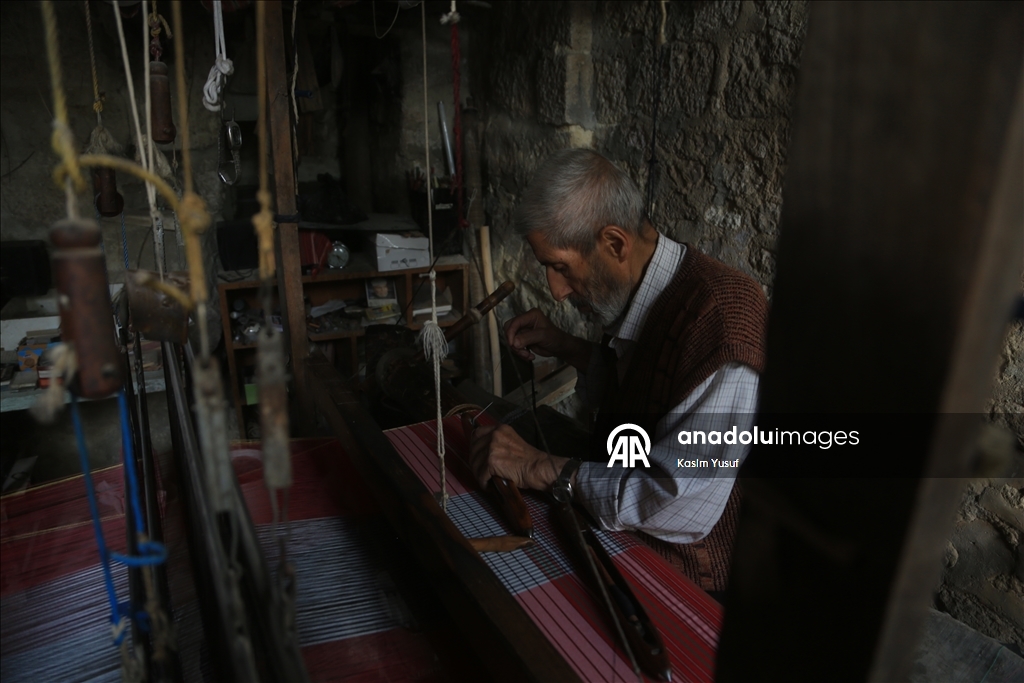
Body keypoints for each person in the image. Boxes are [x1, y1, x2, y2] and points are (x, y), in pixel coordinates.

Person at [469, 149, 768, 592]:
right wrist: (568, 348)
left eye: (559, 267)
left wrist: (541, 466)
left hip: (691, 579)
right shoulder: (647, 295)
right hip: (630, 541)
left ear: (614, 244)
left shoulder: (722, 319)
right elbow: (655, 391)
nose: (555, 291)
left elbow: (677, 503)